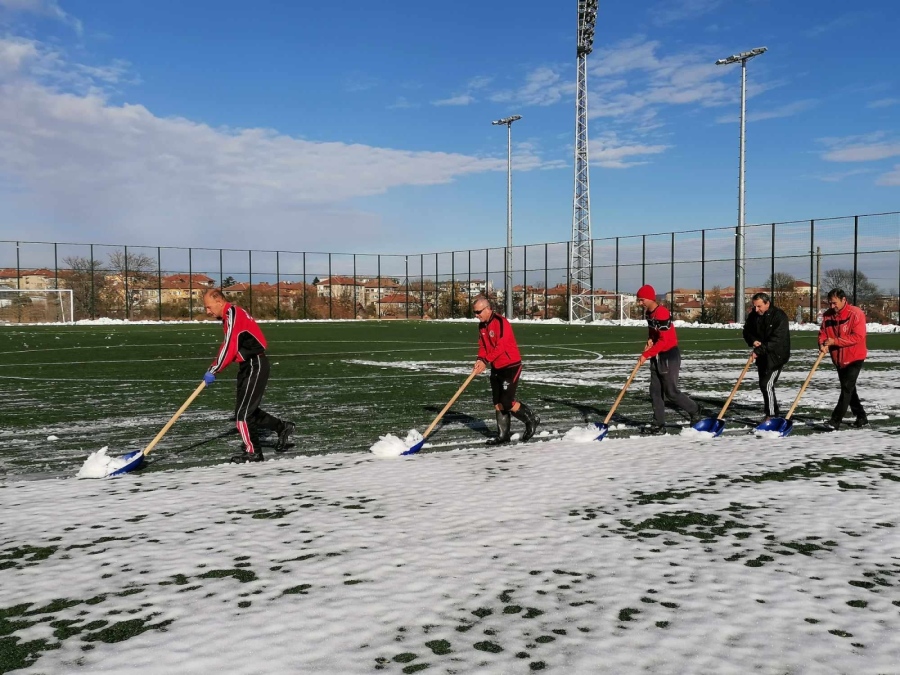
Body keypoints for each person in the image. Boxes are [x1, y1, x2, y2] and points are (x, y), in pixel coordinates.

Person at [202, 289, 295, 463]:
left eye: (208, 307)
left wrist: (214, 370)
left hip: (255, 364)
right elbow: (228, 344)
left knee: (243, 415)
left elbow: (230, 346)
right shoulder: (230, 315)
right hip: (248, 365)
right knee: (247, 411)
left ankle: (253, 453)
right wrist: (214, 367)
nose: (207, 311)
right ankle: (282, 427)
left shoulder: (233, 314)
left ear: (220, 302)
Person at [470, 296, 538, 445]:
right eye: (475, 312)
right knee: (497, 402)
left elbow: (501, 347)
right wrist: (480, 360)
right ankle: (503, 436)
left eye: (478, 312)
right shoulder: (481, 326)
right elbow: (483, 346)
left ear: (488, 309)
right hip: (496, 367)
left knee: (507, 401)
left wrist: (486, 360)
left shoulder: (501, 322)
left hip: (510, 366)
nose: (476, 315)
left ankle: (531, 419)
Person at [635, 284, 701, 434]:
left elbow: (664, 340)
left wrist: (647, 354)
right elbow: (653, 331)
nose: (640, 303)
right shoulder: (649, 313)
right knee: (655, 391)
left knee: (671, 392)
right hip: (657, 355)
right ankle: (659, 425)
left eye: (641, 300)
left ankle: (695, 409)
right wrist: (650, 340)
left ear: (650, 298)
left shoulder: (662, 313)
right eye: (639, 300)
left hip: (668, 355)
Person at [817, 288, 868, 430]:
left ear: (843, 300)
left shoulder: (856, 313)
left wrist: (835, 342)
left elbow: (858, 336)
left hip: (854, 357)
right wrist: (821, 343)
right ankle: (861, 417)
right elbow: (822, 333)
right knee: (850, 390)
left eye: (834, 303)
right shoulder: (828, 316)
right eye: (830, 303)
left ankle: (835, 421)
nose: (832, 306)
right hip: (838, 359)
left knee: (846, 388)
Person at [742, 292, 791, 423]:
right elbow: (747, 331)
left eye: (759, 306)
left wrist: (759, 350)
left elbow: (776, 340)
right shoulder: (754, 315)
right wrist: (753, 341)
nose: (756, 309)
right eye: (754, 306)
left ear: (767, 303)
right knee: (765, 385)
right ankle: (773, 410)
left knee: (766, 384)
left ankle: (771, 414)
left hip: (776, 356)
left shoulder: (779, 316)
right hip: (762, 356)